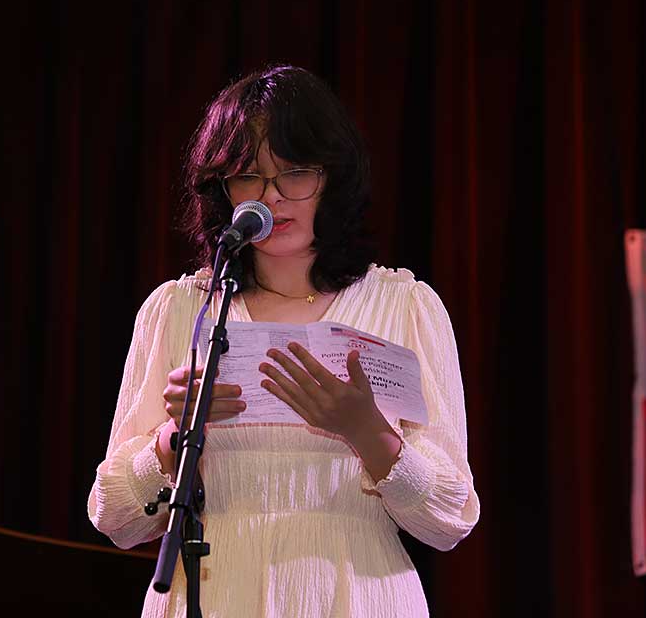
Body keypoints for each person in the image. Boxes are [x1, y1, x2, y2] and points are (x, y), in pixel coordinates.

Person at [87, 65, 480, 617]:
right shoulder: (180, 310)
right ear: (223, 190)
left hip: (356, 594)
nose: (271, 197)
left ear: (332, 177)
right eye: (249, 176)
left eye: (294, 172)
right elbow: (116, 519)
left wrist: (366, 431)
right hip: (213, 591)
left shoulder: (403, 306)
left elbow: (449, 521)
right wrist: (174, 438)